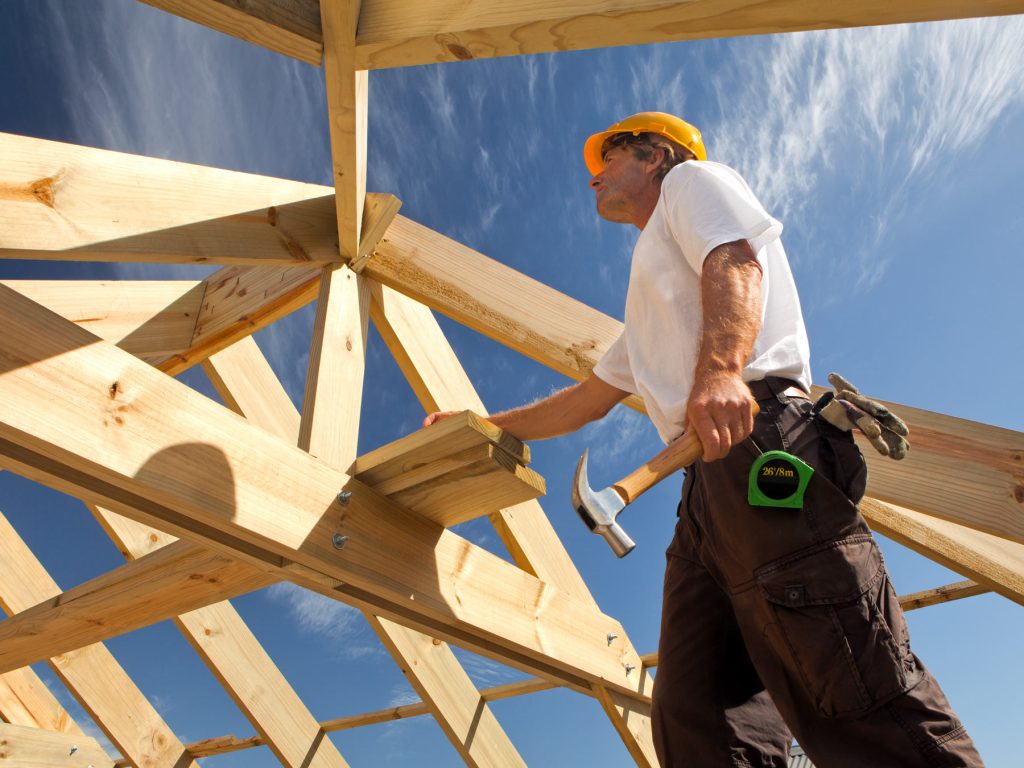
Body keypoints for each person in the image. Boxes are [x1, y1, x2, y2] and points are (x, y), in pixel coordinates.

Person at [424, 112, 982, 767]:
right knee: (699, 717)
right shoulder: (653, 292)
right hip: (706, 499)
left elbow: (736, 260)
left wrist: (721, 368)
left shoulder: (693, 183)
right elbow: (586, 401)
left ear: (654, 154)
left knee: (850, 680)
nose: (592, 178)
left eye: (607, 160)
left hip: (760, 441)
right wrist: (488, 424)